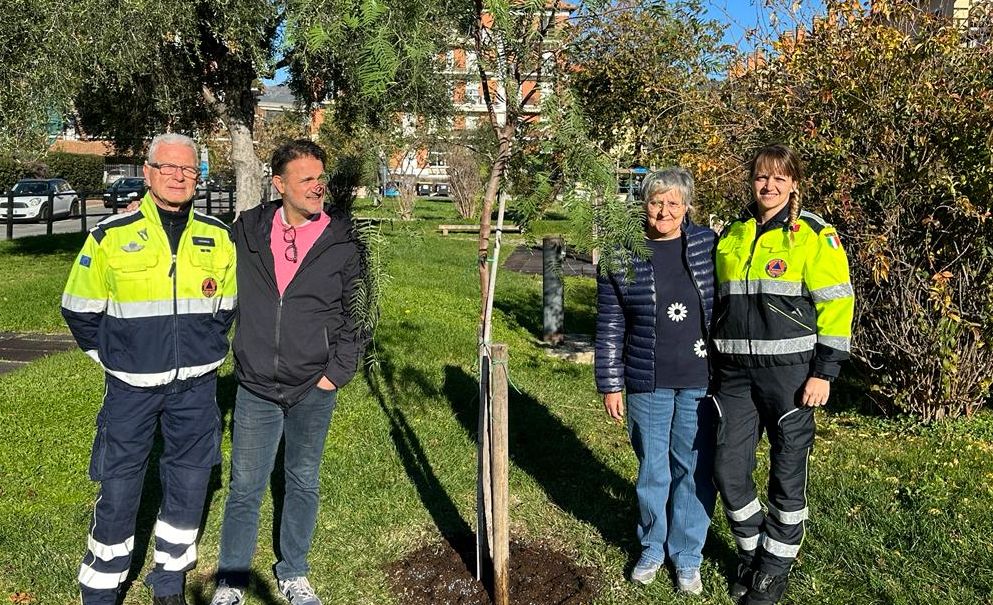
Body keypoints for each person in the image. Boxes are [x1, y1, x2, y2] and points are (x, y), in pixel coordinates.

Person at [61, 133, 237, 605]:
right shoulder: (109, 236)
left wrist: (201, 352)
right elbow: (79, 310)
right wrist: (115, 358)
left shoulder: (218, 237)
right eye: (169, 168)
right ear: (148, 171)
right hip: (130, 391)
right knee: (119, 487)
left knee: (190, 482)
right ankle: (101, 588)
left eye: (189, 170)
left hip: (197, 390)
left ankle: (168, 581)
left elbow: (226, 307)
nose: (179, 177)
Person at [209, 140, 363, 605]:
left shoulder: (342, 239)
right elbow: (202, 250)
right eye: (307, 179)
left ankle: (294, 572)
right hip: (256, 384)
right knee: (245, 487)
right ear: (279, 185)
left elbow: (358, 313)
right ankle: (232, 580)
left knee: (302, 479)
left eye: (321, 177)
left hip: (314, 385)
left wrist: (335, 372)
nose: (318, 186)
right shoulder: (249, 230)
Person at [711, 144, 854, 605]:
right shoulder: (733, 232)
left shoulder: (813, 234)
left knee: (786, 476)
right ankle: (753, 555)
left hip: (791, 376)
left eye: (779, 178)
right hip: (734, 375)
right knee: (727, 470)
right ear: (751, 182)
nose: (768, 186)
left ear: (794, 183)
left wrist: (824, 372)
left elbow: (837, 303)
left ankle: (773, 573)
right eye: (760, 177)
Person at [594, 167, 717, 596]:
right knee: (653, 469)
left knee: (693, 467)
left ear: (686, 207)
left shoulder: (706, 245)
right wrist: (610, 382)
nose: (664, 211)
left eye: (673, 203)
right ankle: (652, 546)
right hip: (647, 378)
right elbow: (610, 324)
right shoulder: (621, 254)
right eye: (655, 201)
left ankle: (687, 555)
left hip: (700, 379)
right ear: (643, 204)